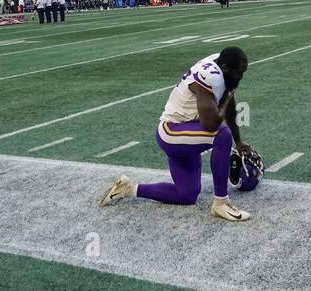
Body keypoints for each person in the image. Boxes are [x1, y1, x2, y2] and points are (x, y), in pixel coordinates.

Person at [99, 47, 253, 222]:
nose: (242, 77)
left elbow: (229, 103)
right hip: (172, 132)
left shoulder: (219, 63)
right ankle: (220, 203)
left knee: (186, 194)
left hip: (186, 130)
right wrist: (227, 98)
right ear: (225, 68)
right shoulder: (212, 78)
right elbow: (210, 124)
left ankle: (128, 189)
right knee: (221, 134)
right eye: (240, 73)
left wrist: (239, 141)